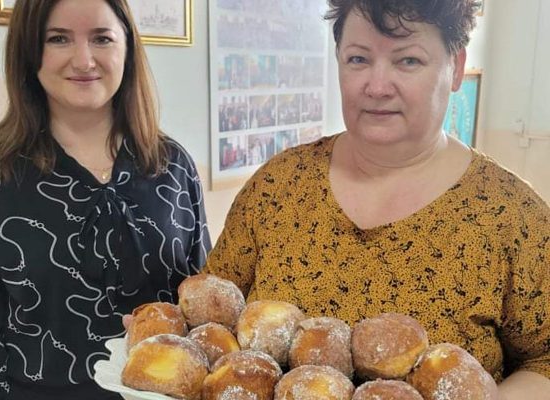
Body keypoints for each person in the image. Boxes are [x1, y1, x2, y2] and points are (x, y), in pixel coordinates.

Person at [203, 0, 550, 398]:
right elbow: (212, 316)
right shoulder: (277, 187)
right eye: (358, 59)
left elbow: (546, 358)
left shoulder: (513, 217)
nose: (377, 86)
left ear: (455, 68)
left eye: (408, 61)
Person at [0, 0, 210, 399]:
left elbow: (203, 312)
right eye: (58, 39)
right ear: (29, 50)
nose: (84, 60)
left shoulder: (173, 166)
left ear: (127, 47)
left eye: (102, 38)